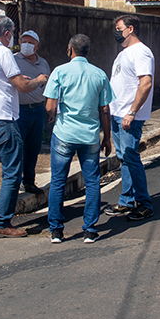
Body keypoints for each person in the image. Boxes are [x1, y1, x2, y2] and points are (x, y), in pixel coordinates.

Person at [0, 16, 48, 238]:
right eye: (13, 33)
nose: (13, 38)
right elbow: (23, 87)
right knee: (13, 172)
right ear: (6, 33)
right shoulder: (4, 53)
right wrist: (38, 80)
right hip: (3, 119)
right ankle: (2, 222)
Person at [44, 34, 113, 243]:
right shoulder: (99, 74)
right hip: (89, 136)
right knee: (92, 182)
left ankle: (56, 230)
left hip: (64, 133)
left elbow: (50, 105)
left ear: (69, 49)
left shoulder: (60, 72)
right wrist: (107, 138)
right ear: (87, 51)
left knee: (57, 181)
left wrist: (52, 118)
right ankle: (90, 229)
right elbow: (105, 109)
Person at [104, 15, 155, 221]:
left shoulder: (141, 52)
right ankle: (126, 201)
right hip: (117, 113)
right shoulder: (123, 53)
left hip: (129, 116)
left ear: (130, 29)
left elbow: (146, 83)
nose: (116, 32)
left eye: (119, 28)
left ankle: (144, 204)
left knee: (131, 157)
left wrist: (132, 112)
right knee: (124, 158)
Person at [13, 30, 50, 195]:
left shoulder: (43, 63)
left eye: (30, 42)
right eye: (23, 42)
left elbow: (49, 86)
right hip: (20, 111)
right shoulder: (14, 60)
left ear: (37, 46)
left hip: (38, 109)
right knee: (17, 148)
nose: (26, 45)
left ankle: (29, 181)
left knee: (33, 148)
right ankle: (14, 183)